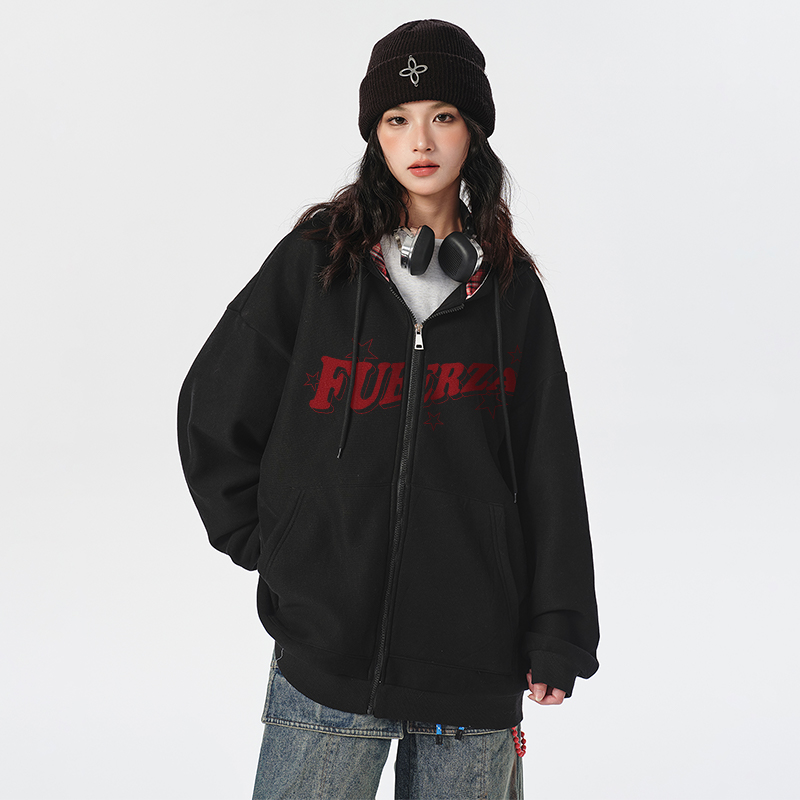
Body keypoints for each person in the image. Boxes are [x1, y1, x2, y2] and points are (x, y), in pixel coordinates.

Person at [178, 19, 599, 800]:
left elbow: (549, 469)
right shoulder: (317, 264)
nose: (421, 140)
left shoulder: (510, 292)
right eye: (398, 119)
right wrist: (285, 546)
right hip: (327, 662)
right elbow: (214, 403)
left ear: (474, 130)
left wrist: (559, 628)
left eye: (444, 116)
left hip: (474, 666)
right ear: (375, 134)